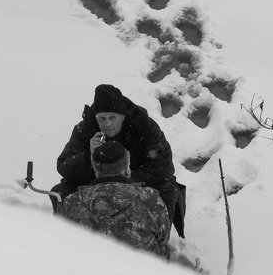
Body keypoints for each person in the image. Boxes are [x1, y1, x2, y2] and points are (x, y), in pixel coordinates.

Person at [52, 83, 182, 234]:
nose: (107, 124)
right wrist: (88, 156)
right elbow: (63, 166)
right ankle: (67, 239)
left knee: (167, 190)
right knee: (61, 191)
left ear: (123, 116)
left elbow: (163, 165)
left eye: (112, 117)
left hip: (137, 181)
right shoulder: (85, 129)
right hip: (95, 182)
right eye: (102, 119)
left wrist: (125, 181)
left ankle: (157, 239)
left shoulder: (144, 126)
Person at [63, 141, 171, 255]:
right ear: (126, 169)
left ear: (96, 172)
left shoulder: (72, 201)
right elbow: (163, 237)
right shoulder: (150, 198)